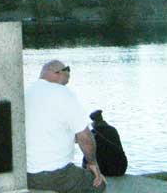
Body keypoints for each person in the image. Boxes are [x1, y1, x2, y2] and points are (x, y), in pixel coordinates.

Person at [25, 60, 106, 193]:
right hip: (55, 174)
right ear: (57, 73)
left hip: (27, 174)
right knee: (98, 184)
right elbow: (85, 136)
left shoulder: (27, 92)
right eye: (66, 76)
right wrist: (92, 163)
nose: (66, 83)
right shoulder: (63, 93)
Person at [82, 109, 128, 176]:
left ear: (93, 122)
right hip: (120, 168)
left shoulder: (92, 133)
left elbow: (88, 154)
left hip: (102, 170)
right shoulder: (113, 130)